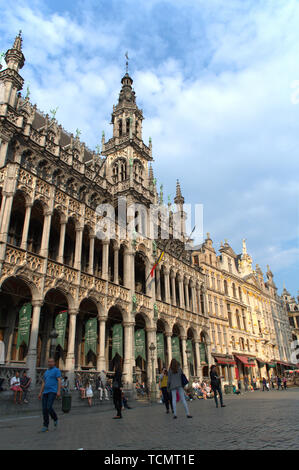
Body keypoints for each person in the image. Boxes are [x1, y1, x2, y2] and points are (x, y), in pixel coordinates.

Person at [38, 357, 61, 433]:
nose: (50, 363)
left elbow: (59, 381)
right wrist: (40, 392)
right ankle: (45, 426)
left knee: (49, 407)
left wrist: (58, 391)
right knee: (44, 409)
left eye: (51, 362)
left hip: (52, 391)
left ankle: (55, 418)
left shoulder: (56, 370)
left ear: (54, 363)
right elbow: (43, 383)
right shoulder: (46, 372)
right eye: (49, 362)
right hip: (45, 392)